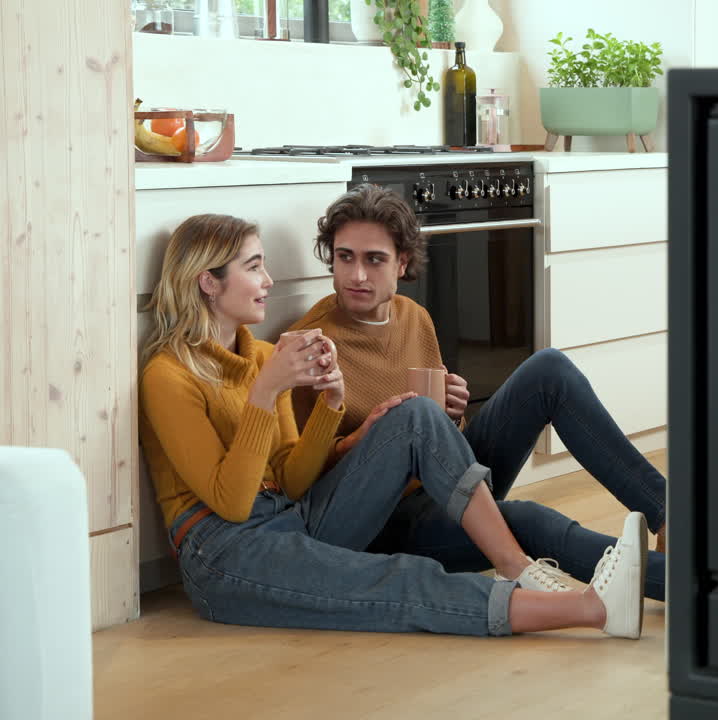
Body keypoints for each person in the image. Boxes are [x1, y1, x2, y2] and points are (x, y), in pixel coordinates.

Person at [138, 213, 648, 638]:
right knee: (398, 580)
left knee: (420, 416)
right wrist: (268, 394)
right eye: (254, 267)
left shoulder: (264, 355)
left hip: (296, 516)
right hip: (225, 549)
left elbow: (290, 481)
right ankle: (594, 609)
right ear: (209, 281)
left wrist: (329, 406)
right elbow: (229, 502)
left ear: (401, 265)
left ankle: (554, 569)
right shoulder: (168, 376)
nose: (269, 280)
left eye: (374, 259)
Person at [285, 185, 669, 600]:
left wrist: (453, 415)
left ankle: (669, 516)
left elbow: (439, 438)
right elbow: (301, 481)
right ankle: (692, 580)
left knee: (549, 369)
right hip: (388, 523)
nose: (357, 275)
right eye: (345, 257)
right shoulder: (311, 344)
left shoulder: (414, 318)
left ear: (403, 263)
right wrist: (361, 440)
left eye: (374, 259)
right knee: (529, 521)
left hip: (446, 487)